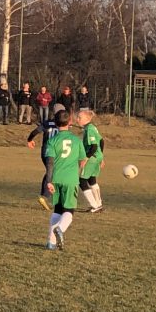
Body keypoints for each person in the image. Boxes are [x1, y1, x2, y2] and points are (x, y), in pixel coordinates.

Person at [43, 113, 86, 250]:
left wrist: (49, 181)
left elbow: (50, 163)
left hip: (56, 179)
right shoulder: (77, 140)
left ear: (56, 123)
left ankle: (51, 242)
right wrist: (77, 168)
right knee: (69, 210)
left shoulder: (52, 141)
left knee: (58, 209)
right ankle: (60, 229)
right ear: (70, 122)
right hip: (71, 179)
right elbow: (83, 159)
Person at [27, 106, 66, 205]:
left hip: (45, 151)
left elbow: (35, 132)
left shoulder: (47, 123)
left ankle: (44, 195)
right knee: (53, 172)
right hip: (55, 151)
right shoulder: (63, 125)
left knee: (50, 171)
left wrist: (29, 140)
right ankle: (46, 196)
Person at [77, 106, 106, 212]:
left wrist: (86, 158)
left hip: (92, 157)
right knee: (92, 180)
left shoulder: (89, 129)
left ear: (86, 119)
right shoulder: (92, 127)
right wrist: (101, 157)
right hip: (97, 157)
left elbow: (94, 146)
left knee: (82, 181)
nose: (77, 119)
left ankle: (95, 206)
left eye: (79, 118)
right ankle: (99, 204)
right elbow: (101, 141)